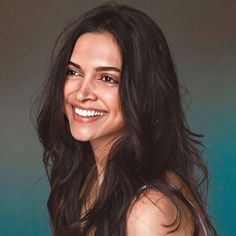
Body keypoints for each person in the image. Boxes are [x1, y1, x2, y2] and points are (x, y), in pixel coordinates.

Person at [35, 2, 217, 236]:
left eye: (107, 78)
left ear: (142, 92)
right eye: (74, 72)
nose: (81, 93)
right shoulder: (90, 178)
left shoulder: (149, 209)